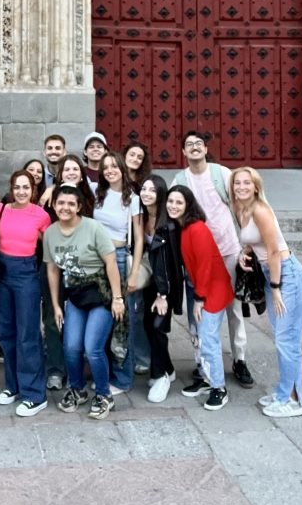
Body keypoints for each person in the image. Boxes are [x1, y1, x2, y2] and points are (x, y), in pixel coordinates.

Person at [171, 130, 254, 389]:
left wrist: (246, 243)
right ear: (183, 152)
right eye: (189, 145)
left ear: (206, 149)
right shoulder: (180, 178)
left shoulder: (222, 174)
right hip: (198, 256)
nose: (194, 148)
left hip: (228, 249)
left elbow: (240, 206)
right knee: (199, 311)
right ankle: (202, 361)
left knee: (234, 308)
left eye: (199, 144)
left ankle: (239, 359)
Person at [231, 167, 302, 418]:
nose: (242, 187)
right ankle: (283, 392)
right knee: (281, 337)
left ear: (256, 187)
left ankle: (294, 400)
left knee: (287, 340)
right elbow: (254, 240)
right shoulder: (240, 209)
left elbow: (274, 250)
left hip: (286, 275)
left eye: (247, 183)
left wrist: (276, 288)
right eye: (237, 183)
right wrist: (245, 251)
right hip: (270, 274)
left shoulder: (261, 210)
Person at [44, 185, 125, 421]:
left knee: (93, 347)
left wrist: (118, 298)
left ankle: (103, 394)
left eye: (71, 204)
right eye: (61, 203)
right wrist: (57, 305)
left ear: (79, 207)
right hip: (76, 296)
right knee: (71, 347)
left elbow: (111, 263)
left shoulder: (93, 228)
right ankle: (78, 389)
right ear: (54, 205)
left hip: (100, 293)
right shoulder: (50, 233)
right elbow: (52, 269)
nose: (65, 208)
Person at [171, 185, 235, 411]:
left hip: (212, 290)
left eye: (179, 202)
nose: (173, 206)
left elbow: (207, 265)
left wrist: (199, 298)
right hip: (203, 287)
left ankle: (219, 387)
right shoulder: (184, 227)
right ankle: (208, 378)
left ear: (188, 205)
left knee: (208, 338)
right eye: (171, 201)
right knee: (199, 335)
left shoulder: (197, 228)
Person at [0, 170, 51, 416]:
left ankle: (34, 394)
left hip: (26, 273)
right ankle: (13, 385)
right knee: (6, 331)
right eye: (17, 187)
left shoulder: (41, 215)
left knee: (27, 333)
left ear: (33, 189)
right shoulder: (1, 210)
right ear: (11, 188)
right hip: (2, 272)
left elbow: (48, 246)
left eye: (26, 187)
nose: (21, 191)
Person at [38, 154, 95, 390]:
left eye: (75, 168)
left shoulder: (90, 198)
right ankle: (55, 369)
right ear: (59, 174)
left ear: (81, 173)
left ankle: (78, 366)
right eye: (66, 169)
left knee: (79, 315)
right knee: (52, 316)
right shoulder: (50, 196)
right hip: (53, 263)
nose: (71, 172)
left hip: (82, 266)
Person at [93, 151, 146, 391]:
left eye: (114, 166)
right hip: (95, 260)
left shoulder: (132, 198)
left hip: (120, 258)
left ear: (122, 168)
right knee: (102, 316)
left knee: (122, 321)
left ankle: (123, 378)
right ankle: (103, 372)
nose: (110, 170)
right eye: (106, 167)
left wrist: (134, 272)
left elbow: (139, 236)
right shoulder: (97, 193)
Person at [139, 175, 184, 403]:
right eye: (144, 189)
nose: (146, 193)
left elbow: (169, 263)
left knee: (157, 326)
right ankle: (168, 367)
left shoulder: (168, 226)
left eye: (152, 190)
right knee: (148, 324)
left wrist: (163, 295)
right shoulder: (142, 217)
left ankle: (161, 376)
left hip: (163, 285)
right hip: (148, 281)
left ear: (160, 194)